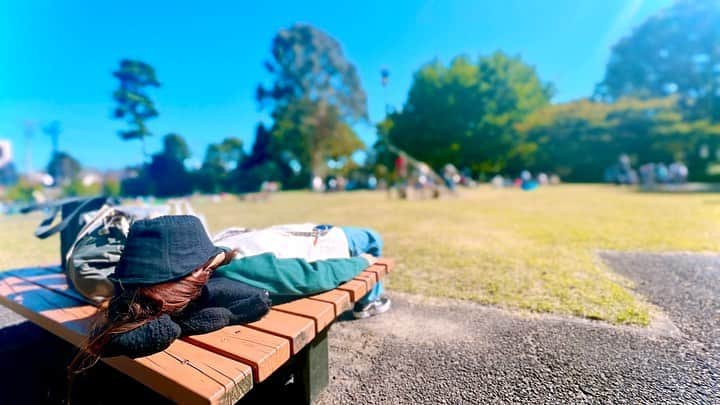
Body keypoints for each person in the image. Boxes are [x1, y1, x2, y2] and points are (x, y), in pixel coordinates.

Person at [212, 223, 391, 319]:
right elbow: (311, 276)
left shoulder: (210, 265)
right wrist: (362, 261)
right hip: (317, 246)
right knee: (373, 239)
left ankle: (369, 298)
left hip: (292, 237)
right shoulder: (233, 267)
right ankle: (369, 300)